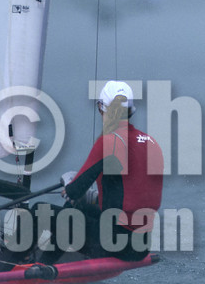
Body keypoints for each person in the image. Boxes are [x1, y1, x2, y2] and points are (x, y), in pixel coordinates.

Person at [56, 80, 164, 261]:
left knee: (38, 212)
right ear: (131, 110)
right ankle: (46, 264)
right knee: (78, 208)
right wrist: (95, 197)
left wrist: (69, 183)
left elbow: (74, 192)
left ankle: (12, 268)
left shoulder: (108, 142)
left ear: (101, 108)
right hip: (141, 245)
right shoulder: (151, 142)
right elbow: (136, 194)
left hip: (114, 244)